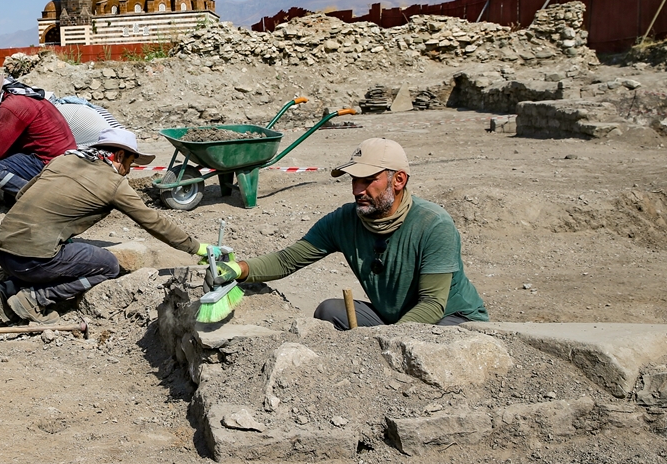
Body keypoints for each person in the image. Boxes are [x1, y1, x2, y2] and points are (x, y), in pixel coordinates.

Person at [208, 138, 489, 329]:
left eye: (368, 181)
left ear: (399, 180)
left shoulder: (433, 224)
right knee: (330, 312)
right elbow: (286, 261)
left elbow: (431, 305)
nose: (357, 190)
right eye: (354, 180)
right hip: (395, 318)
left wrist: (382, 344)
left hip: (450, 319)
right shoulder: (345, 220)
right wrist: (237, 269)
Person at [0, 128, 218, 323]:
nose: (129, 170)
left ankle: (5, 289)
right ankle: (36, 298)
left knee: (54, 254)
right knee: (108, 266)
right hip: (32, 260)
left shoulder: (65, 159)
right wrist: (195, 247)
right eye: (131, 162)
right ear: (118, 155)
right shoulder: (113, 183)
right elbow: (153, 221)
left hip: (3, 250)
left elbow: (24, 192)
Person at [0, 74, 75, 200]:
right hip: (65, 159)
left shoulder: (10, 107)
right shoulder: (21, 96)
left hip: (51, 164)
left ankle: (35, 198)